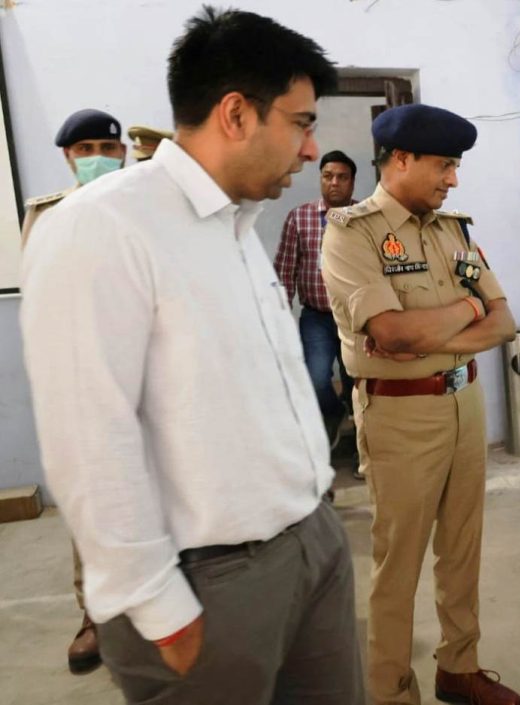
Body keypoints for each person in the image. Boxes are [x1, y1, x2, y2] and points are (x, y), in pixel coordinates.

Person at [20, 8, 363, 705]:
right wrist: (154, 602)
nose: (311, 150)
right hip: (210, 581)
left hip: (310, 541)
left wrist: (320, 529)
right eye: (301, 123)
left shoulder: (236, 224)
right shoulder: (102, 227)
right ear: (235, 114)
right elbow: (88, 434)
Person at [322, 104, 520, 705]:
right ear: (402, 159)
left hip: (465, 402)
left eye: (455, 167)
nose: (453, 179)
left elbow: (503, 322)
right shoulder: (352, 233)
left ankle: (459, 668)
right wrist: (465, 312)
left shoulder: (453, 230)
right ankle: (390, 690)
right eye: (444, 165)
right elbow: (393, 333)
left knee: (462, 547)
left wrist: (442, 325)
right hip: (400, 415)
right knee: (399, 562)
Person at [19, 107, 126, 675]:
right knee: (92, 500)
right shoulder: (48, 215)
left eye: (107, 149)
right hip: (86, 382)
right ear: (67, 157)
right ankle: (96, 614)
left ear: (124, 154)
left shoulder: (149, 208)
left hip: (151, 379)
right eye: (85, 151)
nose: (97, 159)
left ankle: (168, 608)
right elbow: (41, 302)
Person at [273, 150, 358, 458]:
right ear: (320, 179)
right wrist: (280, 319)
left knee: (358, 382)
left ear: (352, 182)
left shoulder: (366, 217)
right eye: (328, 176)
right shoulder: (300, 217)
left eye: (342, 177)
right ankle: (334, 412)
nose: (334, 183)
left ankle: (363, 446)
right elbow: (285, 270)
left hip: (356, 318)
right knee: (315, 378)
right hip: (317, 318)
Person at [20, 108, 126, 248]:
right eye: (85, 148)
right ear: (67, 154)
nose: (97, 157)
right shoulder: (45, 212)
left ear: (123, 151)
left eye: (108, 147)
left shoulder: (143, 205)